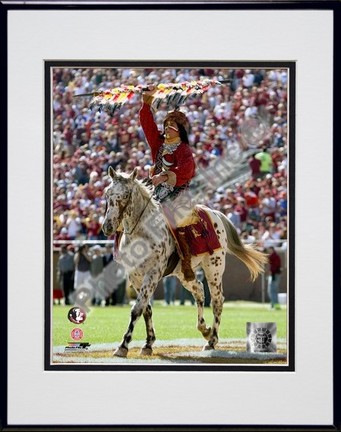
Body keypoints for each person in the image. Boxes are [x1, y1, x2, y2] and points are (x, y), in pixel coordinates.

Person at [140, 88, 196, 281]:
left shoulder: (184, 149)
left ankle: (186, 259)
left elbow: (187, 170)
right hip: (156, 190)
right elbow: (148, 127)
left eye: (171, 126)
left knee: (171, 218)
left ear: (180, 130)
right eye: (166, 125)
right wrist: (146, 104)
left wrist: (164, 176)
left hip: (177, 192)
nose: (167, 128)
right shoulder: (159, 144)